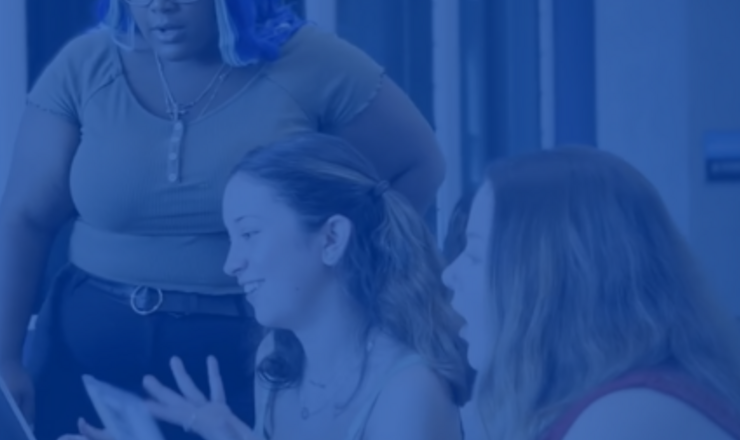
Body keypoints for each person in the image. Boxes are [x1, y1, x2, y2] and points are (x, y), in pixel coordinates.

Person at [0, 0, 444, 440]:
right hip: (84, 352)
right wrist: (4, 355)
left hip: (238, 354)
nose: (160, 4)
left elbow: (419, 165)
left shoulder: (309, 61)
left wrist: (340, 268)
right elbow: (25, 218)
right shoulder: (86, 65)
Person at [65, 133, 469, 440]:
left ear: (331, 239)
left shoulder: (410, 394)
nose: (231, 264)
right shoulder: (276, 360)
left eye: (250, 234)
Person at [438, 147, 740, 440]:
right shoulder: (623, 402)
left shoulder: (625, 417)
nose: (449, 274)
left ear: (553, 284)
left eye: (473, 253)